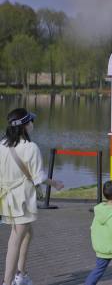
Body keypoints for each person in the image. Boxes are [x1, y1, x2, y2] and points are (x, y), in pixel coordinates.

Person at [1, 108, 64, 285]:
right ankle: (8, 281)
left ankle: (20, 274)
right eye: (31, 122)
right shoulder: (30, 148)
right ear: (24, 126)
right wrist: (56, 183)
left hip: (7, 198)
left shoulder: (3, 144)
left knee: (27, 233)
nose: (33, 125)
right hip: (22, 199)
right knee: (15, 240)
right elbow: (40, 177)